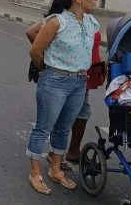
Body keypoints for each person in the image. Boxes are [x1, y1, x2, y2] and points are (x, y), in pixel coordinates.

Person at [27, 0, 99, 195]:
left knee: (63, 128)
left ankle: (56, 170)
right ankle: (35, 173)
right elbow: (35, 51)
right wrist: (47, 70)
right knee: (43, 127)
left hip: (79, 82)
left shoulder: (91, 22)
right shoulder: (57, 22)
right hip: (56, 80)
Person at [26, 21, 105, 171]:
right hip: (66, 75)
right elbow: (31, 33)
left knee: (78, 115)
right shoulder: (61, 17)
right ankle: (38, 170)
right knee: (50, 122)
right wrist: (49, 65)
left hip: (83, 75)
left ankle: (62, 156)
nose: (94, 0)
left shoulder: (88, 19)